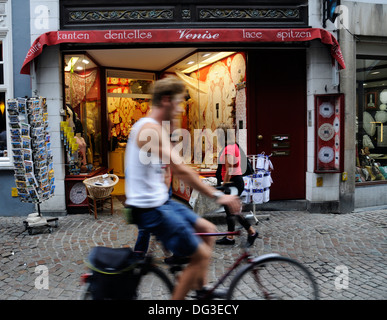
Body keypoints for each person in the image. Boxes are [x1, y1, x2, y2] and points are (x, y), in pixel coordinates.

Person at [125, 77, 241, 300]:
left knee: (209, 230)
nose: (180, 109)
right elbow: (181, 170)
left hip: (162, 203)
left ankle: (200, 291)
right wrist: (219, 196)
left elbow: (172, 163)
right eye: (178, 103)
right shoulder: (147, 130)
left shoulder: (157, 128)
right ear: (166, 100)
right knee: (200, 254)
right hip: (150, 210)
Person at [215, 123, 259, 247]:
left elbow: (229, 169)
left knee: (232, 211)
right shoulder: (234, 145)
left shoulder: (228, 148)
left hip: (233, 182)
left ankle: (251, 232)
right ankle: (230, 236)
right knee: (231, 211)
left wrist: (224, 185)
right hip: (236, 181)